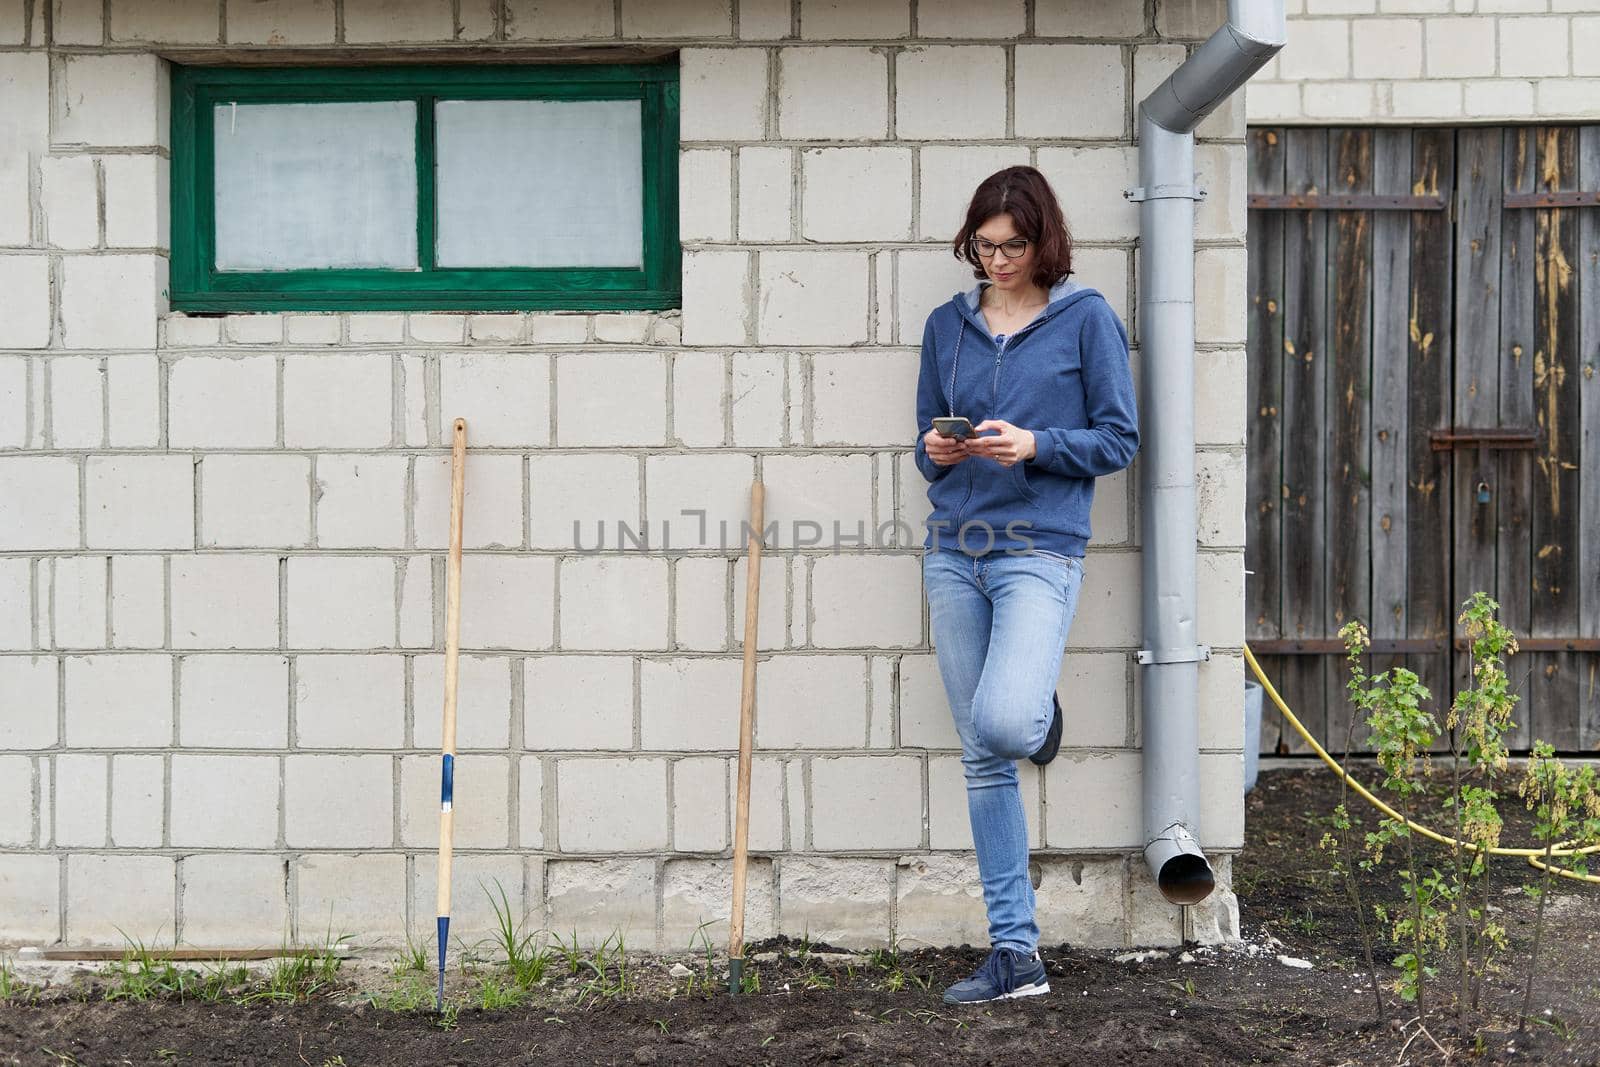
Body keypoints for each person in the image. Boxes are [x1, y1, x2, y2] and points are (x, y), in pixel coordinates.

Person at [913, 165, 1139, 1005]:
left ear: (1044, 241)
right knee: (981, 755)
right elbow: (922, 436)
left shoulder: (1085, 320)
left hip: (1038, 549)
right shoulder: (949, 326)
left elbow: (1118, 438)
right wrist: (936, 451)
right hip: (954, 548)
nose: (997, 260)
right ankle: (1017, 955)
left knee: (1004, 720)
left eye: (1012, 245)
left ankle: (1038, 718)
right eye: (984, 245)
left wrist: (1037, 444)